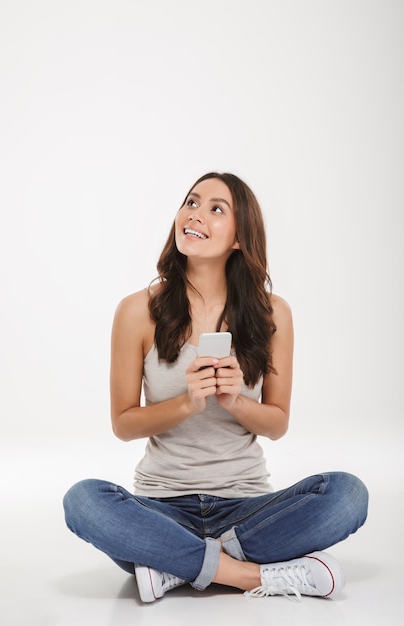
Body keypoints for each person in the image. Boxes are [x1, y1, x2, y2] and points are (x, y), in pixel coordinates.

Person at [63, 172, 368, 603]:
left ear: (240, 237)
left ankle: (175, 567)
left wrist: (236, 401)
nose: (194, 214)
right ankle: (249, 575)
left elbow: (277, 423)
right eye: (191, 202)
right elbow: (124, 424)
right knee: (83, 501)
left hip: (247, 509)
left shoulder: (273, 313)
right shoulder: (137, 311)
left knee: (348, 493)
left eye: (215, 208)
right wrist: (187, 404)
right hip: (161, 508)